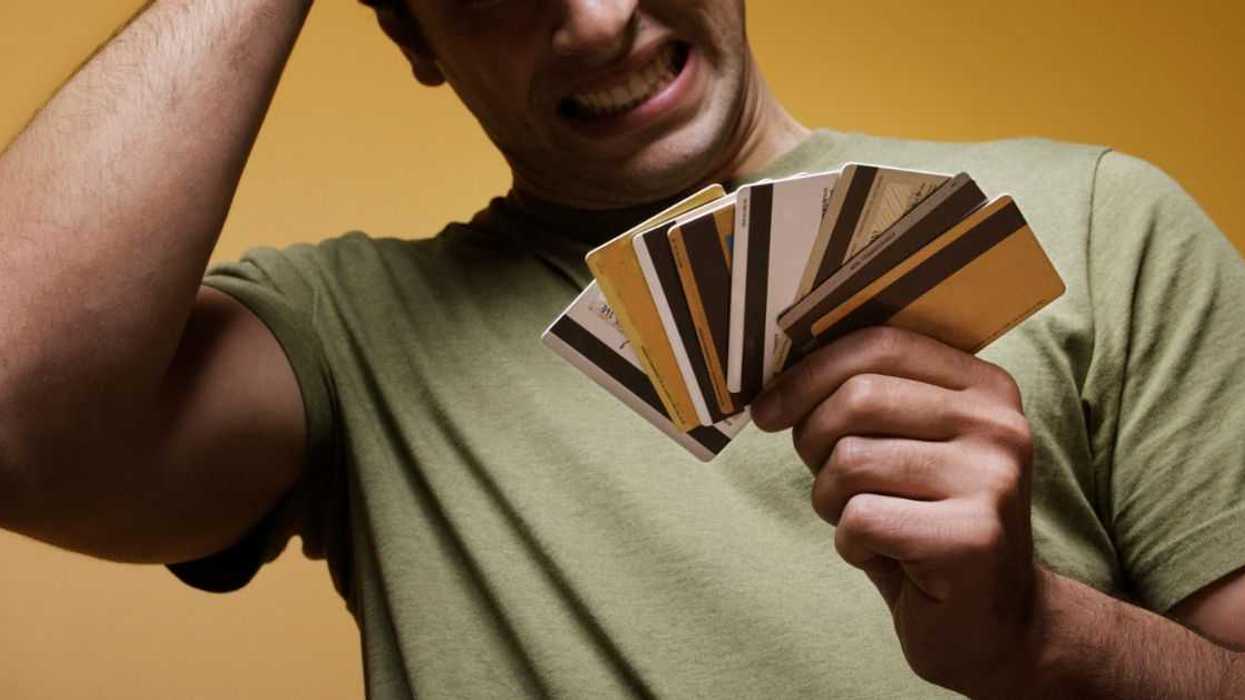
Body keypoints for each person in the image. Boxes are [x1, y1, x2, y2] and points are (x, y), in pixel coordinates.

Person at [2, 0, 1244, 696]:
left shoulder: (1100, 219)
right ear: (413, 39)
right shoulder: (348, 342)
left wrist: (1042, 638)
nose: (596, 23)